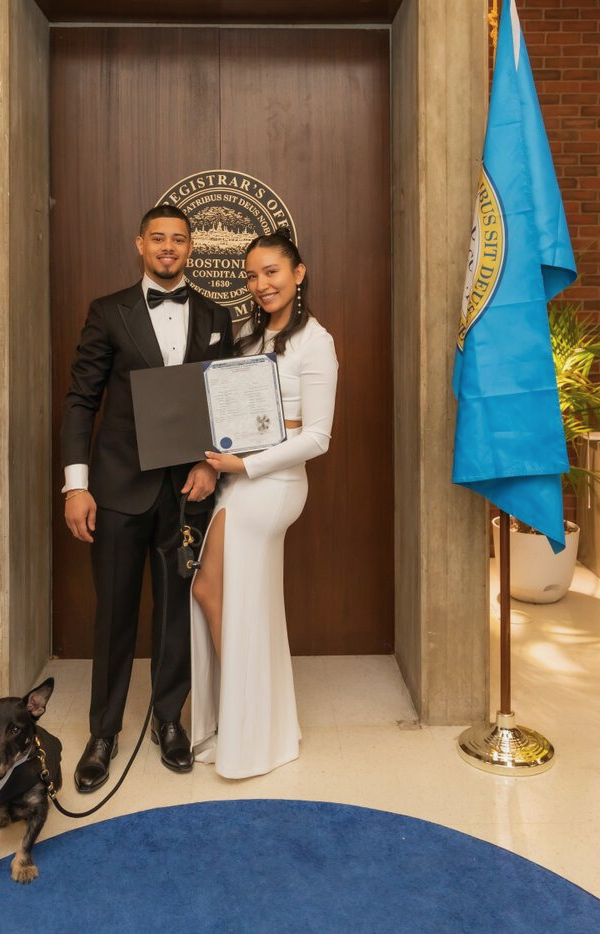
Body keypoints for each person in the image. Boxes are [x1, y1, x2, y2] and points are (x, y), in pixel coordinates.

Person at [60, 205, 236, 793]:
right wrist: (77, 484)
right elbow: (82, 400)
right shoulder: (108, 312)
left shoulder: (214, 315)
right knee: (113, 614)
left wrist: (210, 468)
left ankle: (169, 721)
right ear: (140, 244)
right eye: (158, 238)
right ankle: (103, 733)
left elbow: (225, 402)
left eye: (178, 240)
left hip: (187, 491)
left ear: (191, 248)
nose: (168, 247)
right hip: (115, 488)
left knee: (174, 613)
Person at [190, 231, 338, 779]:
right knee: (230, 596)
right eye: (252, 276)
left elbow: (318, 436)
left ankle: (249, 727)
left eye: (272, 272)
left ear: (298, 274)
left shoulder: (315, 342)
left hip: (272, 484)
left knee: (217, 590)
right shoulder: (247, 333)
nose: (261, 284)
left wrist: (247, 466)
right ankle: (252, 720)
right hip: (238, 477)